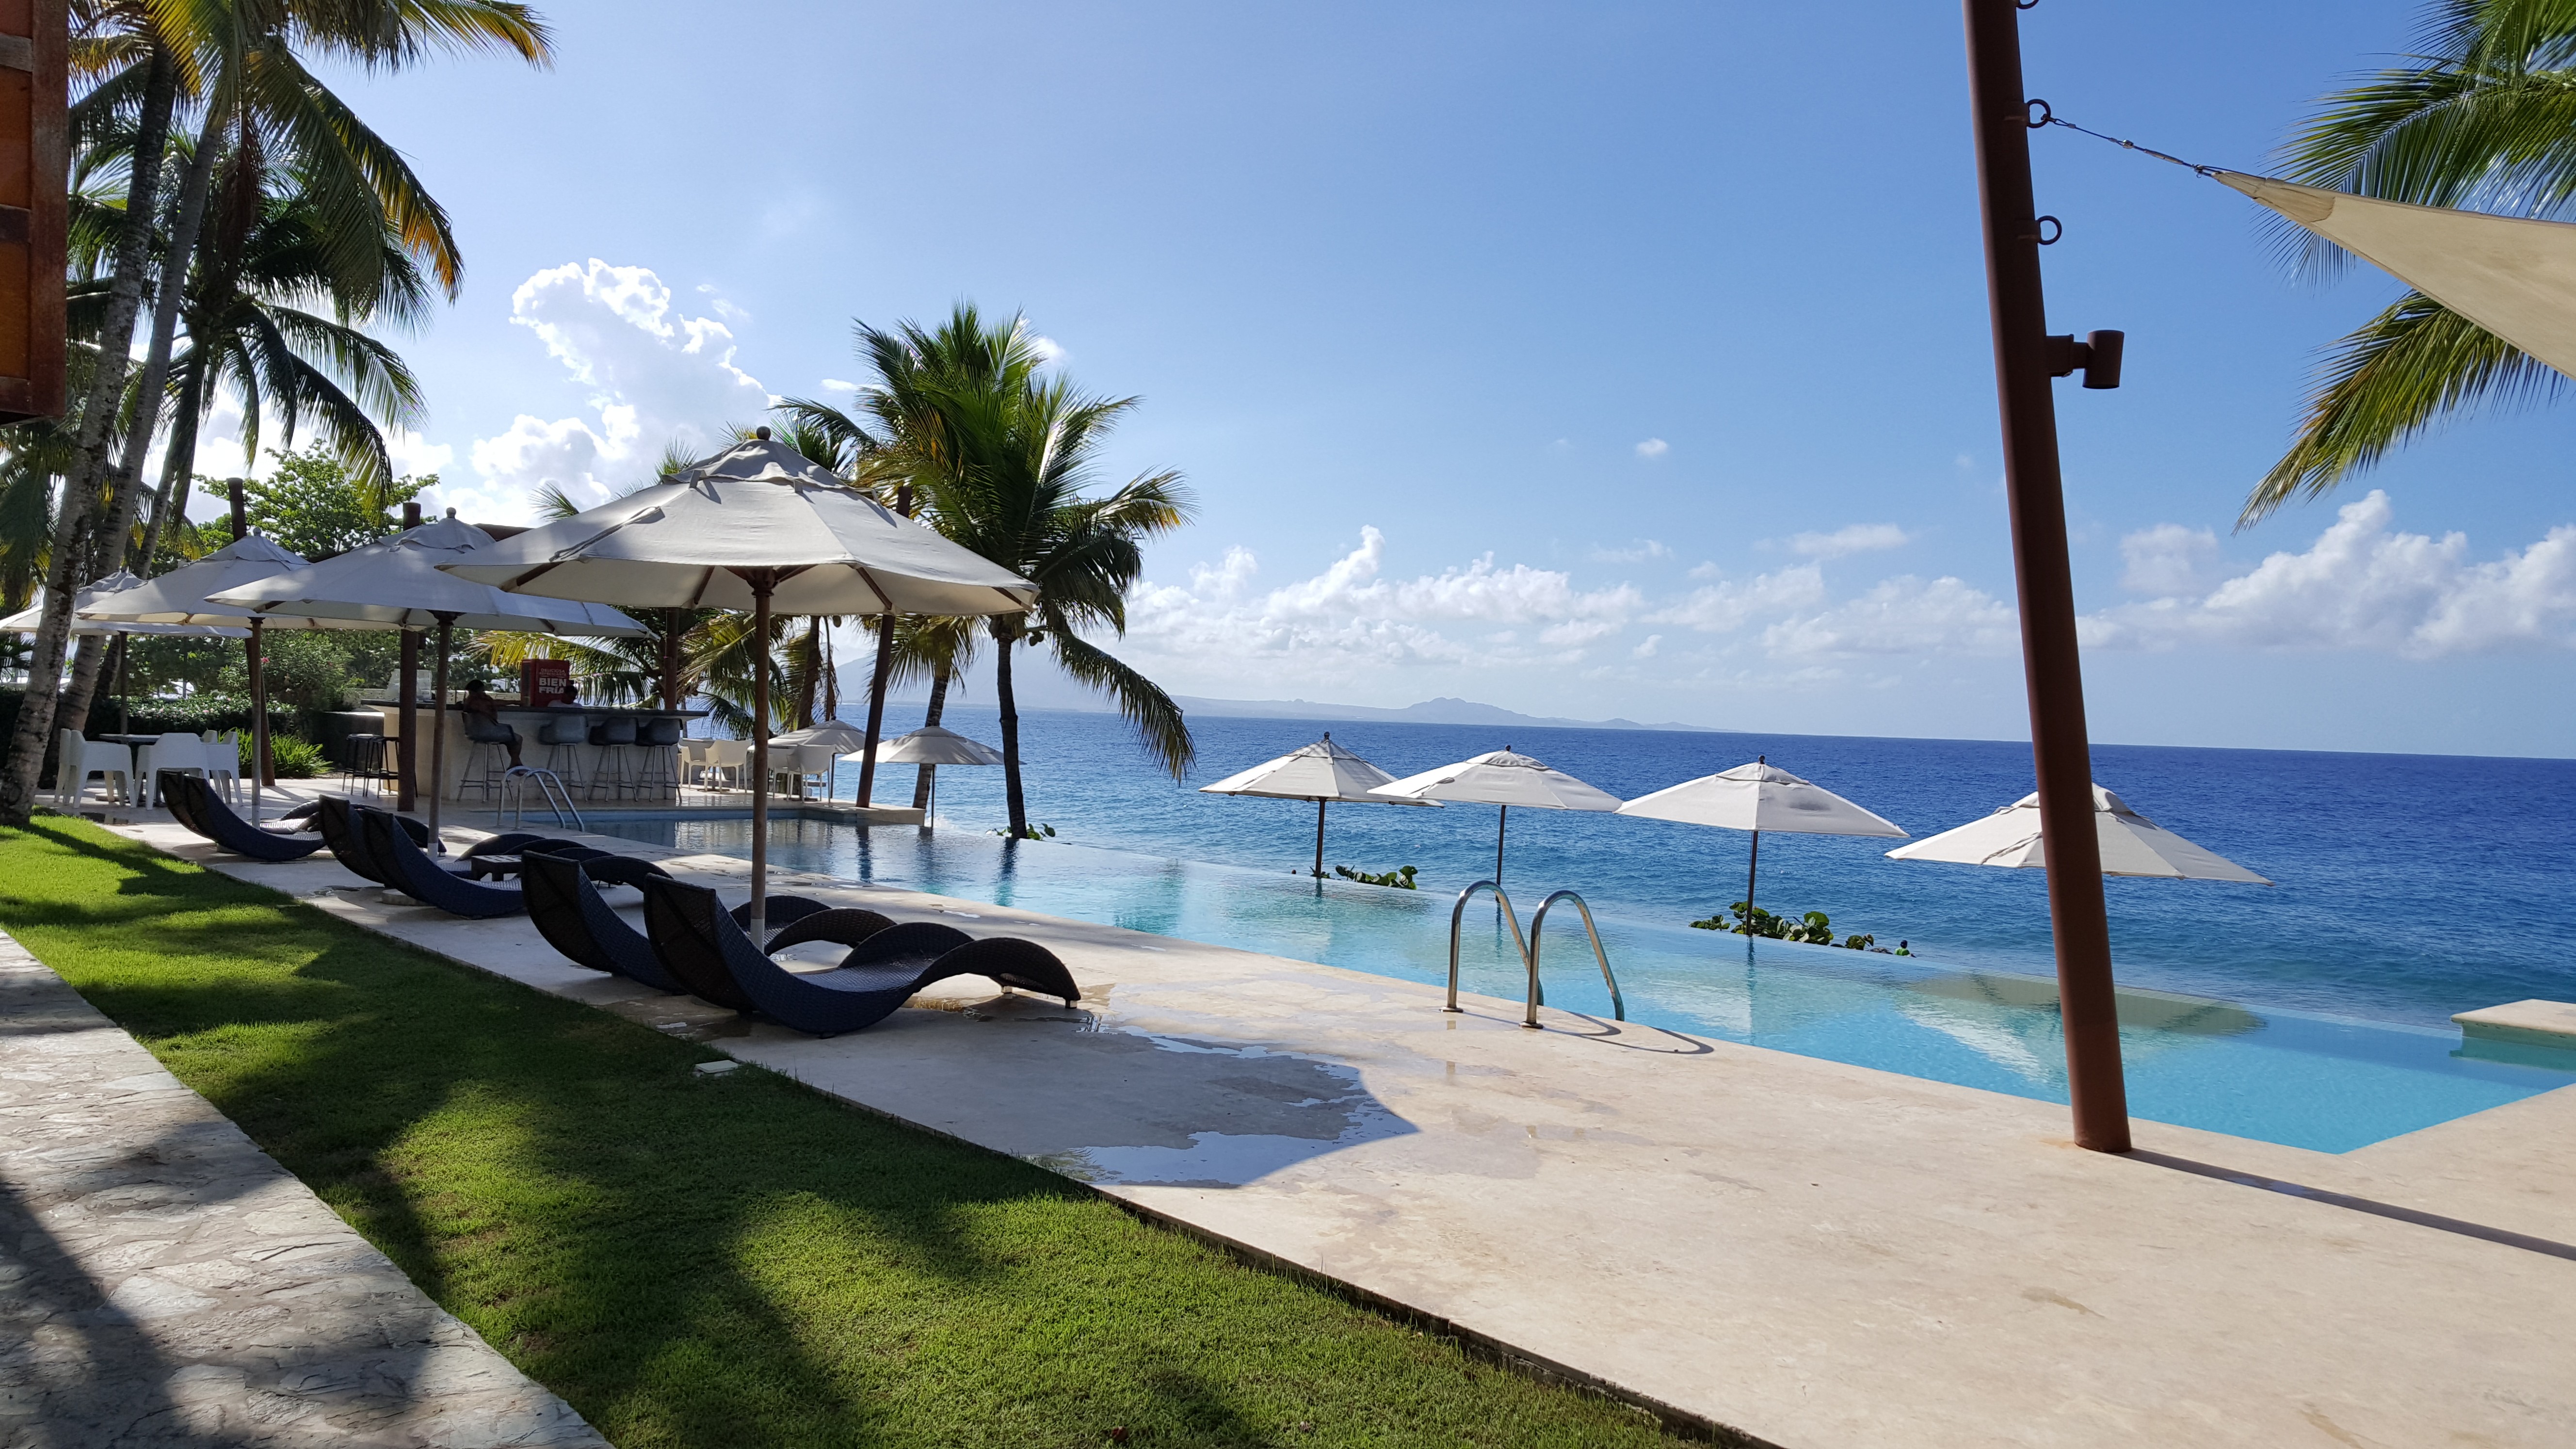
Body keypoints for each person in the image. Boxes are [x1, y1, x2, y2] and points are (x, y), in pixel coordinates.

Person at [456, 679, 522, 767]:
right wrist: (514, 702)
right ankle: (515, 763)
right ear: (480, 690)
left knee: (510, 741)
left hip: (473, 733)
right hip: (489, 732)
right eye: (483, 691)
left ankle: (516, 763)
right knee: (518, 739)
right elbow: (494, 704)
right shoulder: (481, 702)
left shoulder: (468, 702)